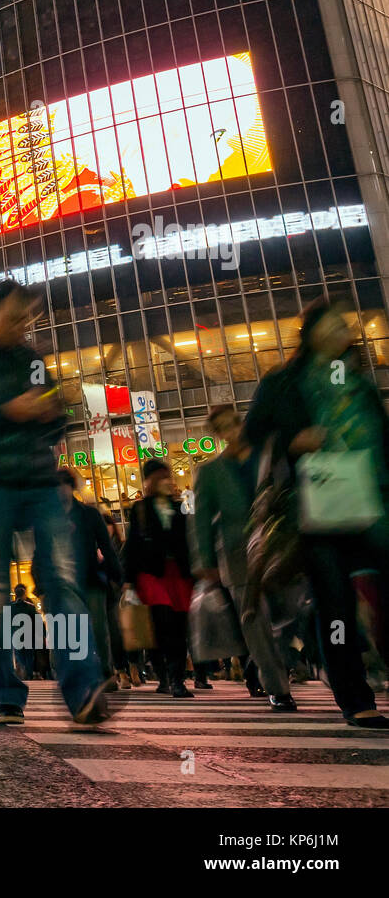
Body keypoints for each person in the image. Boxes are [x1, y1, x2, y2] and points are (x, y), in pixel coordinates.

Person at [0, 278, 108, 725]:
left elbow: (57, 421)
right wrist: (8, 411)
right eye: (14, 316)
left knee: (63, 582)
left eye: (27, 319)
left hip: (39, 479)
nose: (20, 326)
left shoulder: (31, 360)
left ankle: (84, 688)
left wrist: (53, 413)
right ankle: (6, 693)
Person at [245, 297, 389, 728]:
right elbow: (254, 430)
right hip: (319, 502)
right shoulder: (285, 382)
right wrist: (294, 440)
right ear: (310, 335)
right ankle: (354, 697)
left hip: (373, 500)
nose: (340, 333)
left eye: (344, 326)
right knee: (336, 604)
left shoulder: (355, 380)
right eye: (330, 326)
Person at [194, 405, 295, 710]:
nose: (233, 430)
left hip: (278, 544)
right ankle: (277, 686)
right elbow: (201, 519)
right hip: (237, 553)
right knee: (254, 621)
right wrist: (206, 561)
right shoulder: (210, 472)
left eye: (236, 423)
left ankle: (280, 665)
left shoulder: (267, 458)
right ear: (219, 435)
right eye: (225, 427)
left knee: (290, 612)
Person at [124, 459, 195, 698]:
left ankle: (176, 678)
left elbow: (188, 540)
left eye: (168, 476)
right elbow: (132, 544)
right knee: (161, 623)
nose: (166, 481)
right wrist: (129, 580)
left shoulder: (180, 507)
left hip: (179, 574)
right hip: (152, 574)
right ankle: (166, 676)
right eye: (160, 477)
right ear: (149, 481)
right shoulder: (141, 508)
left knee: (179, 625)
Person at [46, 470, 124, 688]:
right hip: (63, 582)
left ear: (71, 488)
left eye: (63, 485)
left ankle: (106, 673)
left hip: (89, 578)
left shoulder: (89, 514)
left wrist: (116, 574)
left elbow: (106, 546)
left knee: (99, 628)